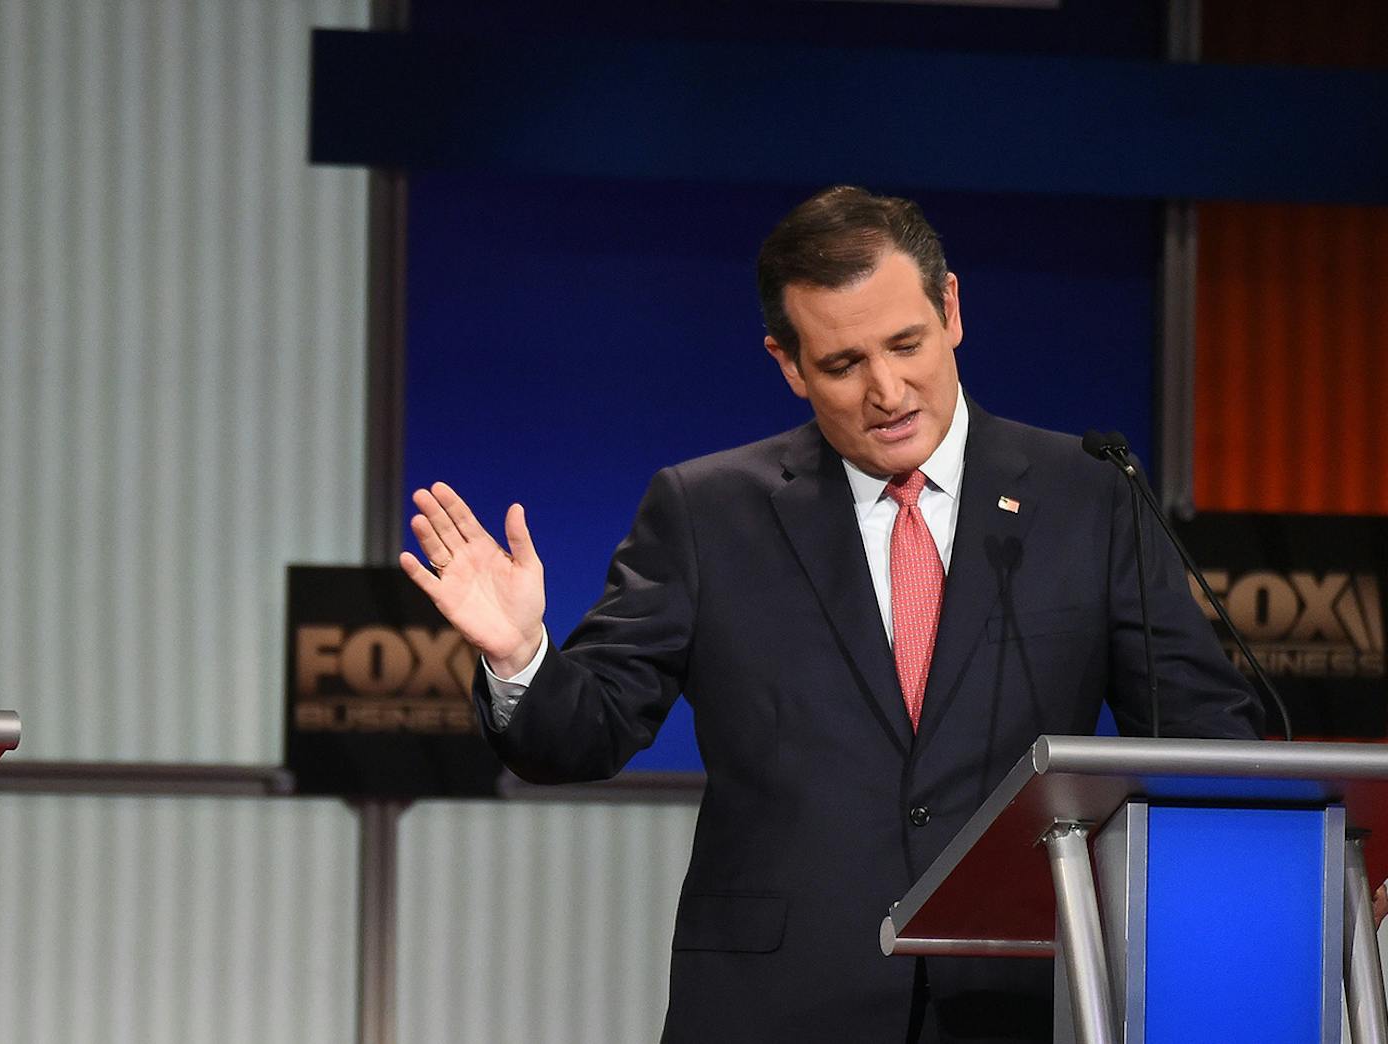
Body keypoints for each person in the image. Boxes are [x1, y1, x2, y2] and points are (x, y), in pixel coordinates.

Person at [400, 186, 1261, 1044]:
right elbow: (582, 736)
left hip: (1019, 998)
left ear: (952, 308)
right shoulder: (707, 511)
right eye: (844, 364)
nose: (887, 390)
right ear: (788, 362)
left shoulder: (1091, 495)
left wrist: (1303, 858)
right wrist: (521, 659)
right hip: (775, 1007)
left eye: (907, 344)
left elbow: (1202, 740)